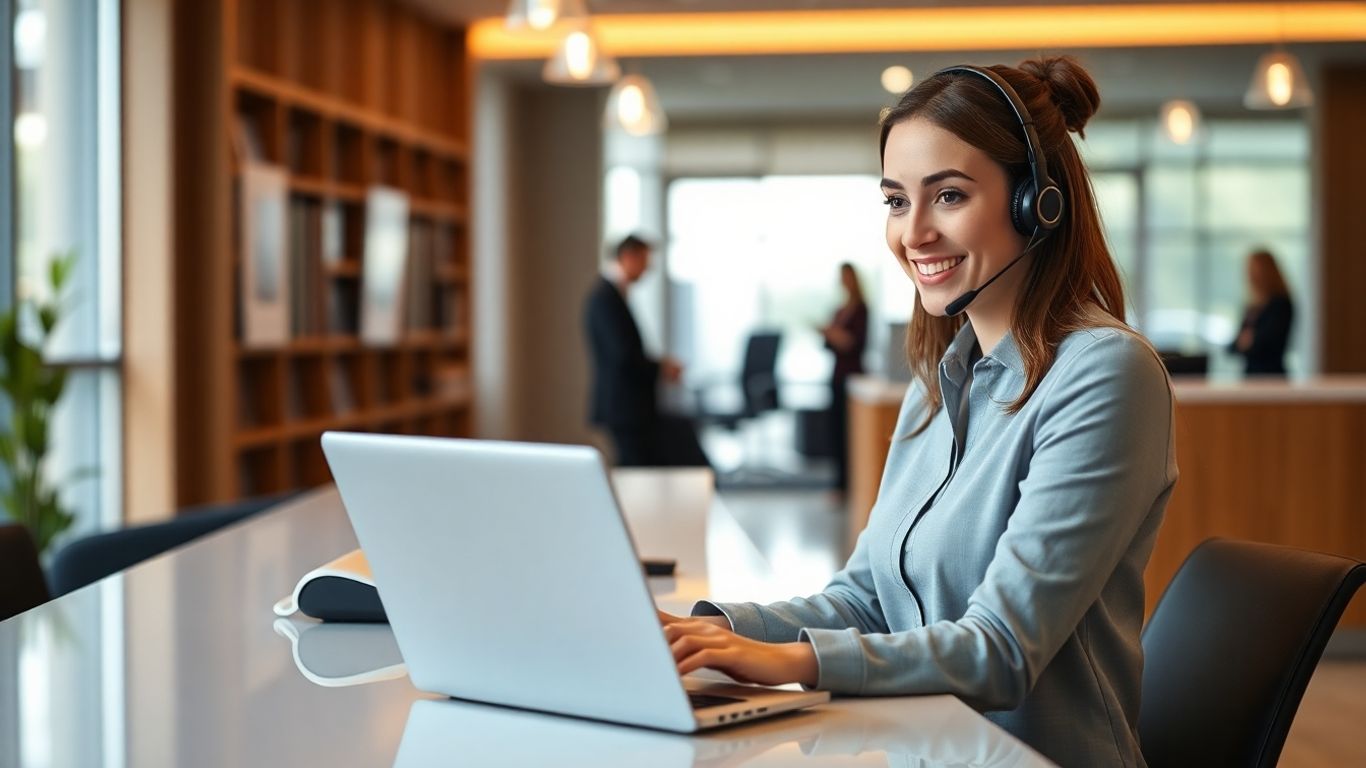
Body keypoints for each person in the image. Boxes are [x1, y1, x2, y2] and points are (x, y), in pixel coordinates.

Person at [658, 56, 1177, 767]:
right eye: (897, 201)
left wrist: (794, 662)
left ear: (1037, 203)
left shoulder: (1105, 374)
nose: (913, 234)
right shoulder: (936, 384)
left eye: (949, 195)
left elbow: (1001, 649)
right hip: (923, 749)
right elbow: (867, 599)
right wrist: (711, 631)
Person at [584, 234, 708, 468]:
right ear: (628, 257)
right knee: (635, 468)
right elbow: (623, 355)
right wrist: (661, 368)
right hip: (623, 406)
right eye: (644, 260)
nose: (648, 268)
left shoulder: (613, 295)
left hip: (629, 406)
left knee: (638, 465)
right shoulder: (605, 297)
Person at [818, 262, 868, 492]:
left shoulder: (861, 309)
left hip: (853, 376)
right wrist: (829, 336)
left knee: (849, 433)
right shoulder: (839, 310)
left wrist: (836, 336)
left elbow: (856, 344)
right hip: (837, 376)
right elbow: (829, 346)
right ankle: (838, 484)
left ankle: (848, 485)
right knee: (835, 431)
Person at [1230, 248, 1294, 376]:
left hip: (1272, 375)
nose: (1251, 275)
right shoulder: (1252, 306)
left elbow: (1269, 343)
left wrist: (1250, 341)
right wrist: (1247, 341)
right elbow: (1234, 346)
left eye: (1255, 270)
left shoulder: (1280, 304)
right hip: (1250, 376)